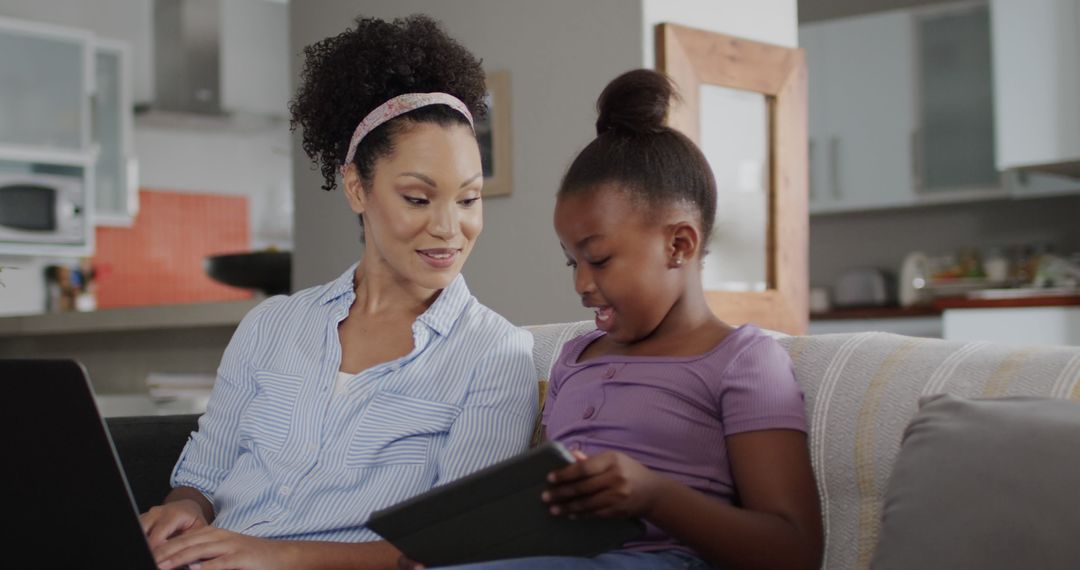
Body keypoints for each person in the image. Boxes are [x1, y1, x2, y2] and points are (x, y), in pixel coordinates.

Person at [140, 15, 537, 570]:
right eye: (418, 199)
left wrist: (277, 556)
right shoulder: (271, 324)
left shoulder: (494, 356)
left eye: (468, 200)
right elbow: (200, 480)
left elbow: (449, 550)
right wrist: (180, 511)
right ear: (357, 187)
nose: (450, 228)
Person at [435, 69, 823, 569]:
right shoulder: (575, 357)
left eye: (599, 259)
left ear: (679, 245)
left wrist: (653, 495)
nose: (581, 284)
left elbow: (795, 551)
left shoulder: (743, 362)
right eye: (573, 263)